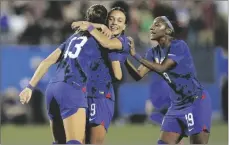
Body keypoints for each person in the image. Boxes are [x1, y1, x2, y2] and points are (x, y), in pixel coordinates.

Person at [19, 4, 109, 144]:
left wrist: (29, 87)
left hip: (53, 89)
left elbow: (46, 61)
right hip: (72, 88)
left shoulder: (73, 38)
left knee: (59, 142)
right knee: (75, 141)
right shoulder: (102, 38)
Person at [125, 16, 212, 144]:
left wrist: (134, 55)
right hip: (177, 105)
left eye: (156, 25)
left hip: (195, 102)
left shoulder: (179, 46)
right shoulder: (152, 53)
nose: (151, 28)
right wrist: (124, 59)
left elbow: (162, 67)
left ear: (167, 30)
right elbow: (138, 75)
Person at [72, 7, 130, 144]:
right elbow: (75, 24)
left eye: (119, 20)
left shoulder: (121, 41)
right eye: (111, 19)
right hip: (86, 95)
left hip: (101, 96)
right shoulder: (99, 36)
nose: (115, 23)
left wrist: (91, 26)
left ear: (124, 26)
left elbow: (118, 75)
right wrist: (99, 26)